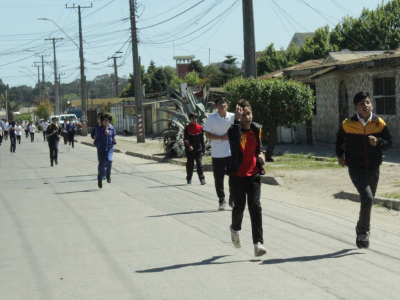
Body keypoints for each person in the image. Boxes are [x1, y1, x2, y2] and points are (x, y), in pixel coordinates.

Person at [336, 91, 392, 249]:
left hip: (373, 167)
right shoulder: (348, 124)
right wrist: (340, 156)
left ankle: (361, 228)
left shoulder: (378, 123)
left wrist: (379, 141)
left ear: (371, 105)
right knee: (367, 198)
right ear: (356, 108)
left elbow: (389, 142)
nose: (366, 106)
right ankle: (363, 232)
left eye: (367, 102)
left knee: (369, 200)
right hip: (356, 168)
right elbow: (340, 141)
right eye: (362, 104)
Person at [227, 99, 267, 257]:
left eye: (248, 114)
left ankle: (258, 243)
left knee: (255, 207)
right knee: (239, 207)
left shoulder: (257, 129)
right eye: (243, 115)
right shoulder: (233, 131)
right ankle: (235, 229)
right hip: (237, 176)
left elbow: (259, 148)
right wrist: (236, 121)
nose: (247, 118)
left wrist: (261, 155)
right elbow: (236, 144)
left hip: (254, 174)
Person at [203, 96, 235, 210]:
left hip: (230, 152)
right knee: (219, 178)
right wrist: (222, 137)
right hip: (217, 154)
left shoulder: (232, 116)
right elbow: (207, 134)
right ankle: (221, 200)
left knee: (233, 176)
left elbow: (238, 130)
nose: (223, 105)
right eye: (220, 103)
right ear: (216, 106)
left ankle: (232, 198)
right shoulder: (212, 118)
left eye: (224, 103)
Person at [184, 112, 206, 185]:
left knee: (199, 164)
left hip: (198, 149)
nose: (194, 120)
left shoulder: (200, 128)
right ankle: (189, 178)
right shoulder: (187, 128)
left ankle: (202, 178)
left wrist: (203, 149)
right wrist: (188, 145)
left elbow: (202, 140)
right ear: (190, 119)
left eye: (195, 118)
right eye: (192, 118)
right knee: (190, 164)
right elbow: (185, 139)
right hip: (190, 150)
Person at [95, 113, 116, 189]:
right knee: (101, 165)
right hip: (101, 149)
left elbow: (114, 135)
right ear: (102, 121)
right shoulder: (99, 129)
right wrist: (104, 134)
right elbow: (97, 137)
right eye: (105, 120)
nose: (106, 122)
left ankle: (108, 175)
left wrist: (114, 139)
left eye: (108, 120)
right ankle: (100, 179)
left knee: (109, 161)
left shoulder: (111, 128)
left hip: (109, 148)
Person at [91, 112, 106, 179]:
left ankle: (104, 172)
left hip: (106, 144)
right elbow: (92, 134)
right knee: (100, 159)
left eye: (101, 118)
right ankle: (102, 173)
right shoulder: (96, 127)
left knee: (106, 159)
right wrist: (94, 136)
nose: (99, 119)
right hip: (99, 144)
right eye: (99, 118)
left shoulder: (106, 126)